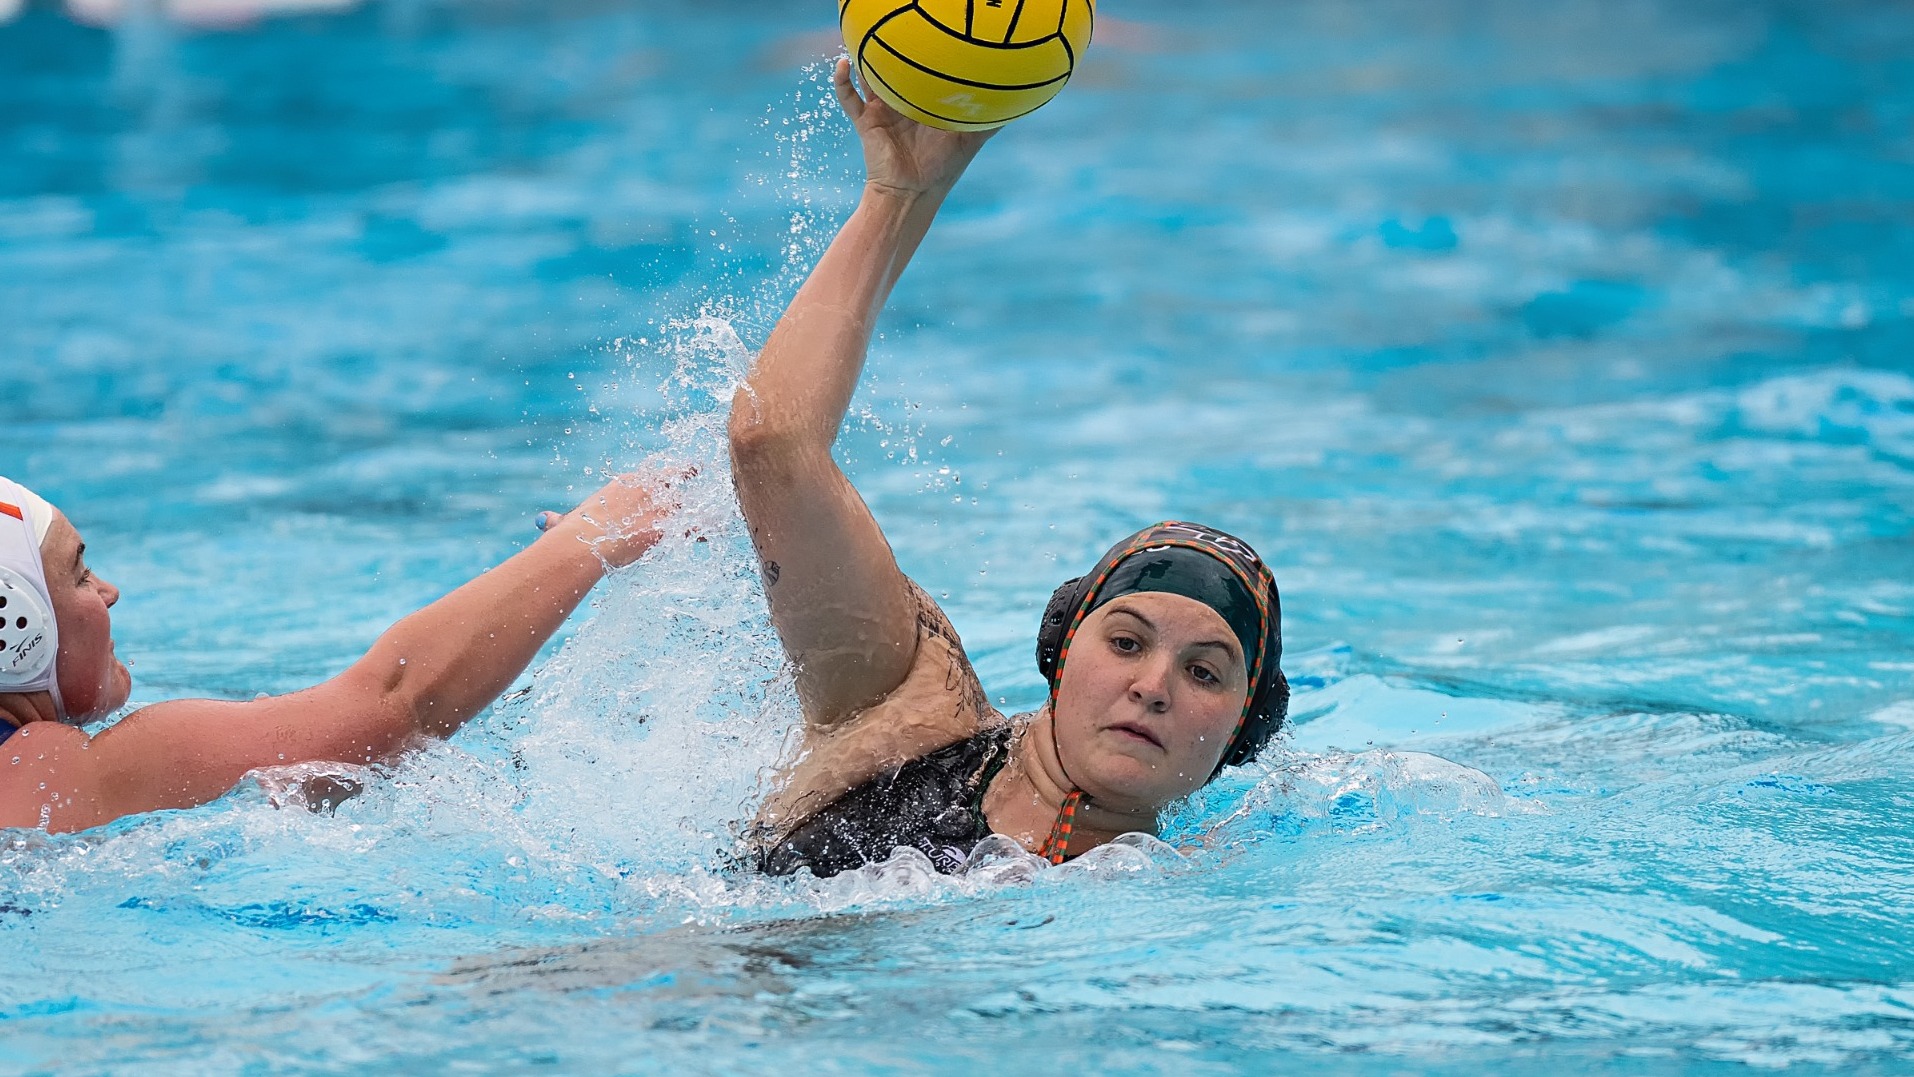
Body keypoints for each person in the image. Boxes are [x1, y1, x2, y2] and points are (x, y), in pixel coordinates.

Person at [735, 61, 1290, 878]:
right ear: (1061, 649)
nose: (1153, 686)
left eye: (1204, 670)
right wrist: (896, 199)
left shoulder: (1207, 885)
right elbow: (773, 446)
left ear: (1242, 729)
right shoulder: (909, 707)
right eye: (1127, 641)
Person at [0, 471, 682, 832]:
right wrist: (595, 533)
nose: (109, 591)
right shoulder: (45, 768)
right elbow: (395, 703)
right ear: (15, 625)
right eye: (79, 574)